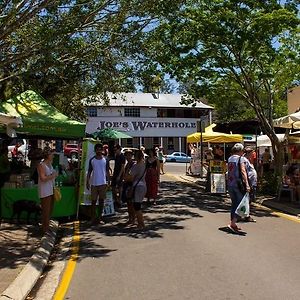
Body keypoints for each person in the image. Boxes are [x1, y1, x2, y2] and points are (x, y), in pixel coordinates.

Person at [227, 143, 251, 232]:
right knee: (241, 204)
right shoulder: (240, 159)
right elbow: (243, 171)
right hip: (238, 185)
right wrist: (247, 184)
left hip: (230, 184)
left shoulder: (230, 158)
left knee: (234, 204)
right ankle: (233, 223)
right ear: (240, 151)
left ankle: (233, 223)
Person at [86, 143, 110, 225]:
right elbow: (89, 171)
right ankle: (92, 218)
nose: (99, 151)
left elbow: (107, 171)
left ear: (102, 150)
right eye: (97, 149)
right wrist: (87, 181)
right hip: (94, 183)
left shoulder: (105, 160)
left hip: (103, 183)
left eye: (100, 149)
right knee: (93, 201)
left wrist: (109, 181)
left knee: (101, 201)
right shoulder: (92, 160)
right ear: (95, 150)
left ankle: (99, 218)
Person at [37, 148, 58, 233]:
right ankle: (44, 229)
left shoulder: (50, 164)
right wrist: (53, 175)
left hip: (51, 189)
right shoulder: (41, 165)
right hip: (45, 190)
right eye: (52, 154)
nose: (53, 156)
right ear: (48, 155)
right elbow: (43, 178)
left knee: (50, 210)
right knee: (45, 210)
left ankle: (47, 226)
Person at [130, 150, 147, 230]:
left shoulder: (135, 166)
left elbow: (131, 177)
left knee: (137, 206)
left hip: (137, 186)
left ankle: (141, 223)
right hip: (143, 186)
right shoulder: (144, 164)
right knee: (137, 205)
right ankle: (140, 223)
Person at [121, 150, 136, 224]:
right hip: (126, 184)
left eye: (129, 155)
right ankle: (130, 218)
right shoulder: (127, 165)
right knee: (128, 203)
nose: (128, 157)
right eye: (126, 155)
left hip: (131, 184)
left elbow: (132, 176)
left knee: (131, 203)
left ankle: (133, 218)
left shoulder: (133, 164)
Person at [111, 144, 125, 208]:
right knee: (113, 186)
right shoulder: (116, 156)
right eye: (114, 150)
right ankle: (116, 199)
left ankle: (120, 200)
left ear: (119, 149)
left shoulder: (122, 156)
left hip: (120, 173)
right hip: (115, 172)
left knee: (120, 187)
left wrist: (119, 176)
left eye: (116, 149)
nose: (115, 151)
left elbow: (122, 167)